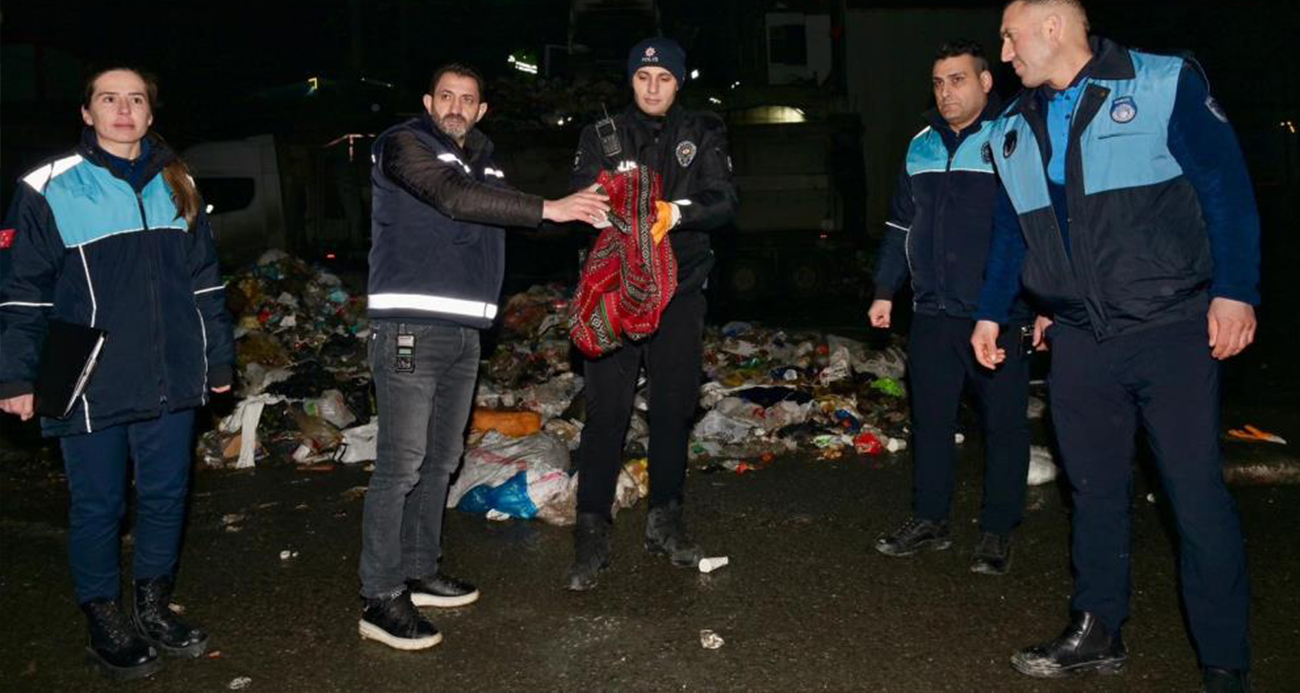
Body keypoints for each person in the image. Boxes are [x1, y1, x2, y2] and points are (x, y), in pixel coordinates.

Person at [971, 1, 1259, 689]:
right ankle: (1097, 627)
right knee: (1093, 491)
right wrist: (994, 312)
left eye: (1010, 39)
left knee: (1194, 498)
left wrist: (1236, 289)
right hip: (1079, 338)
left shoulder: (1161, 84)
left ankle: (1225, 661)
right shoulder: (1014, 125)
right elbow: (1018, 231)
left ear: (1052, 27)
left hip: (1171, 328)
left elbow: (1225, 186)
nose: (1005, 55)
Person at [358, 63, 609, 650]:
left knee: (443, 458)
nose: (455, 106)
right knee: (402, 463)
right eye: (445, 95)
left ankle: (418, 570)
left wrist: (600, 215)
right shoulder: (404, 145)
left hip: (465, 331)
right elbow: (452, 198)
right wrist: (552, 207)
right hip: (410, 329)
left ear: (481, 110)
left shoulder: (485, 158)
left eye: (467, 99)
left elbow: (507, 213)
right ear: (428, 100)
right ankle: (379, 594)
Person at [0, 67, 234, 680]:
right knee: (98, 505)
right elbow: (22, 293)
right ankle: (103, 618)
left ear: (150, 116)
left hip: (170, 372)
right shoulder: (47, 188)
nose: (123, 109)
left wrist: (218, 360)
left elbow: (206, 280)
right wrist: (15, 377)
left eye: (136, 100)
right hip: (87, 377)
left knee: (165, 497)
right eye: (109, 99)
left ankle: (153, 606)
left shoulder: (177, 181)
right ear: (87, 113)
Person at [565, 37, 738, 591]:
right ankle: (591, 530)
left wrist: (674, 213)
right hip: (615, 291)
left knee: (671, 409)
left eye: (664, 77)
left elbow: (724, 201)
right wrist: (609, 199)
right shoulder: (602, 134)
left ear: (679, 82)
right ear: (631, 81)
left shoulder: (703, 132)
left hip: (681, 290)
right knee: (607, 413)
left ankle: (666, 518)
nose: (653, 87)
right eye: (643, 78)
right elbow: (579, 197)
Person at [869, 39, 1031, 575]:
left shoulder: (1014, 139)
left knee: (1003, 424)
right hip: (933, 312)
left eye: (958, 80)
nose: (946, 92)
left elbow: (1035, 228)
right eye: (939, 82)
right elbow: (899, 225)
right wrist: (884, 291)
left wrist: (1045, 303)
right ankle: (930, 519)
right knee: (931, 421)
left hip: (996, 312)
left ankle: (997, 530)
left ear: (986, 82)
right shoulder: (920, 146)